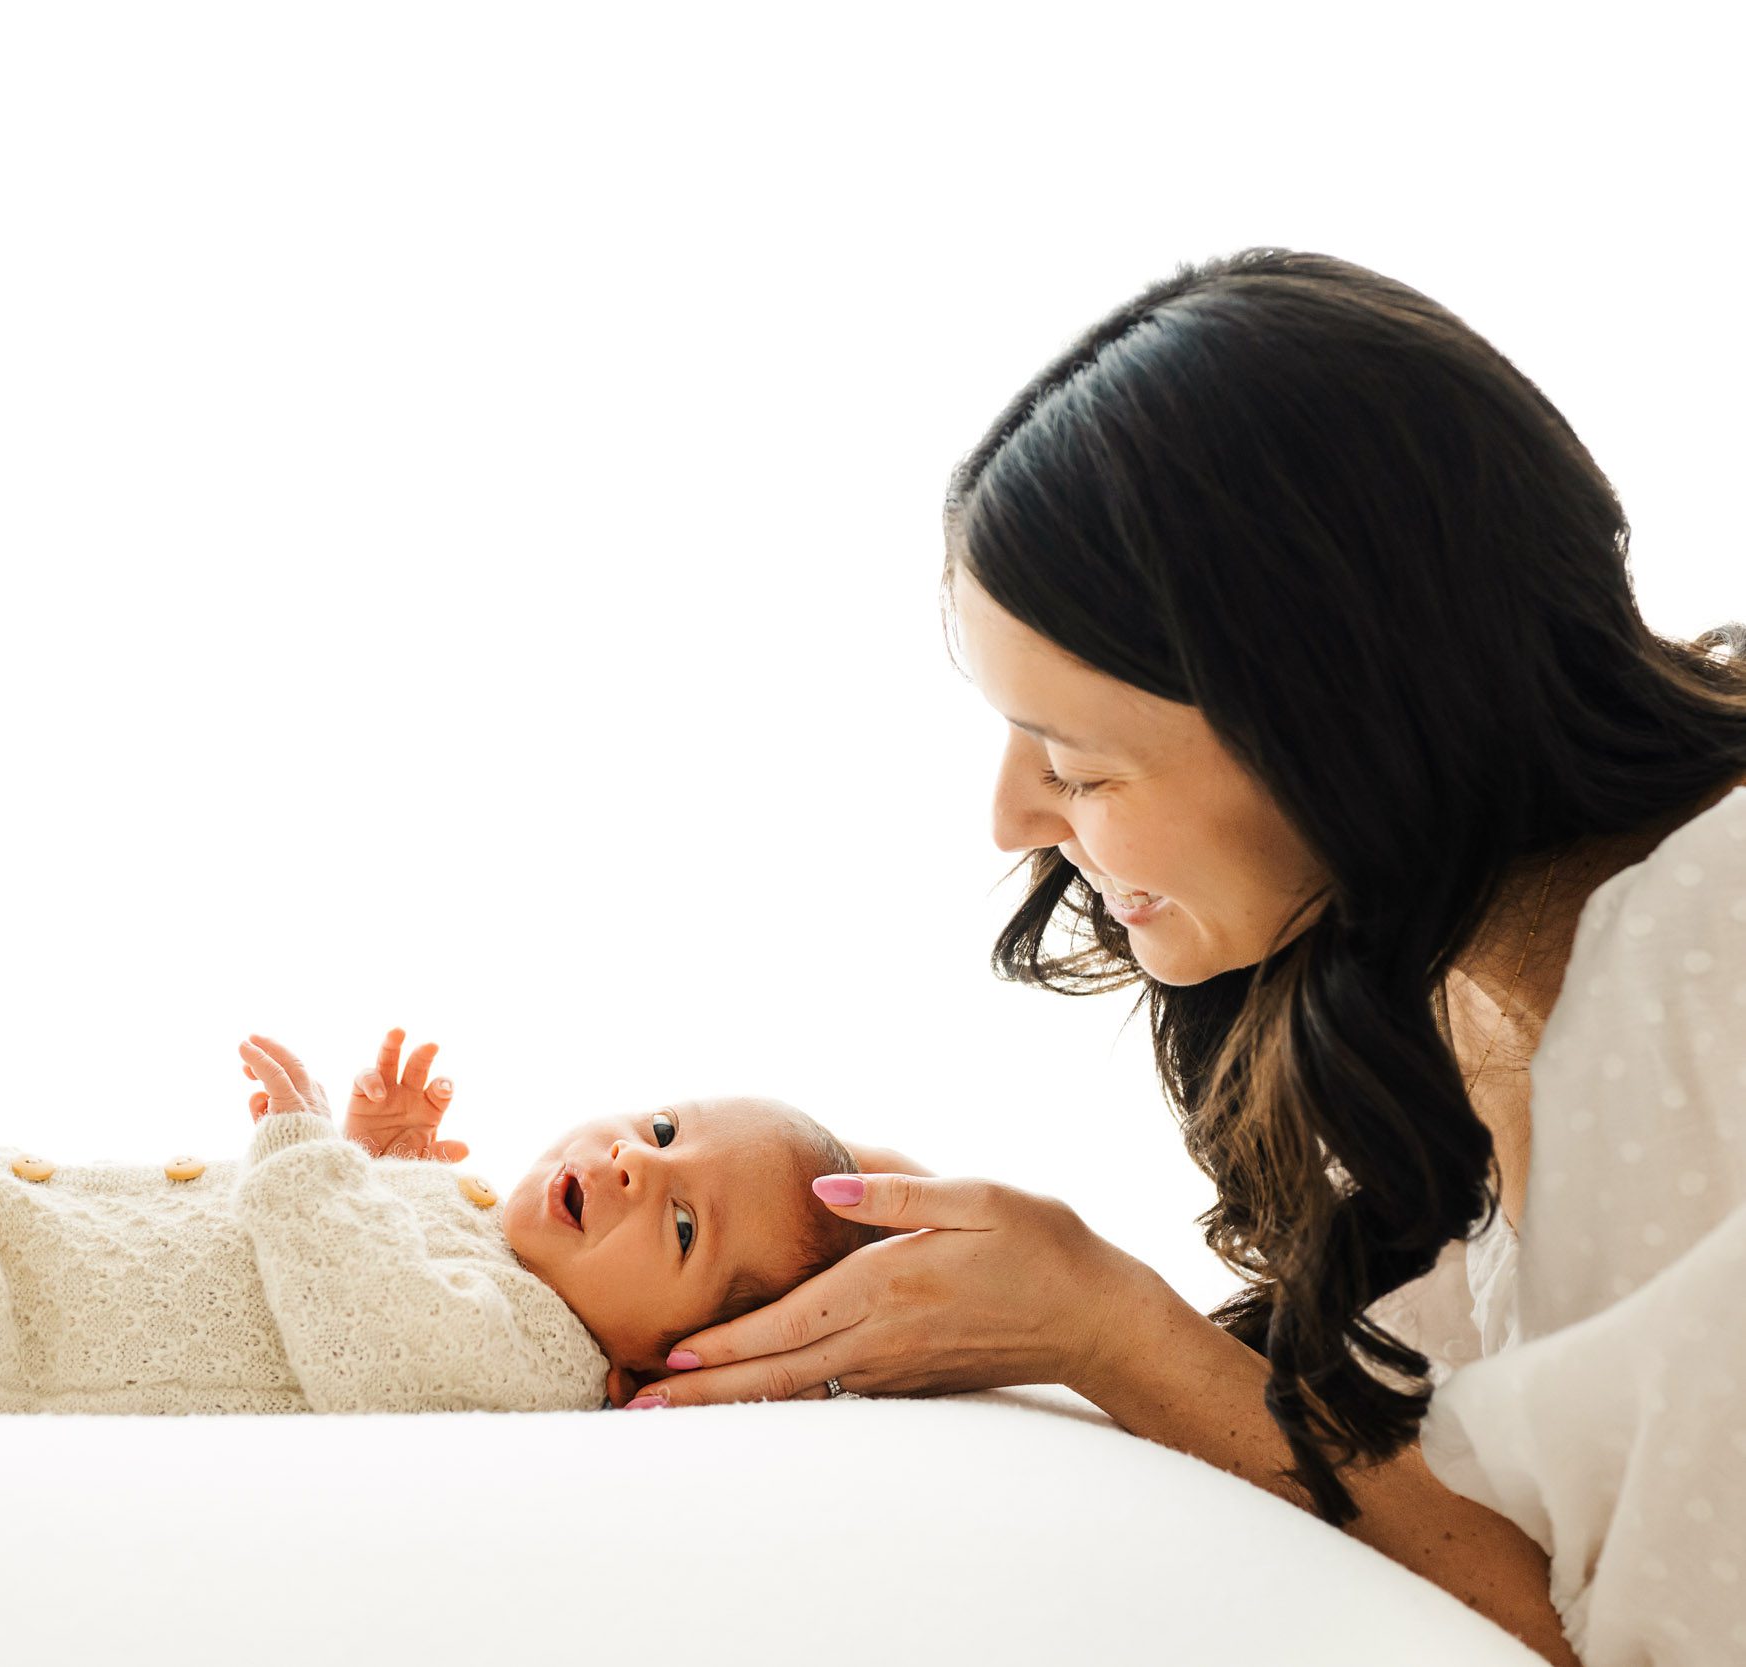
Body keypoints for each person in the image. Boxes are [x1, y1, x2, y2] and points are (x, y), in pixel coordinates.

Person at [616, 249, 1746, 1667]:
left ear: (1329, 719)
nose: (1012, 816)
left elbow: (1642, 1642)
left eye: (1076, 764)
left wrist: (1113, 1331)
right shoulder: (1468, 980)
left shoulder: (1700, 979)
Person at [0, 996, 882, 1413]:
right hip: (6, 1211)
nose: (634, 1167)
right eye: (659, 1129)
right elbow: (380, 1237)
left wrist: (317, 1157)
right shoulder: (480, 1220)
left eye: (681, 1226)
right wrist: (391, 1155)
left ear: (668, 1361)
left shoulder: (544, 1359)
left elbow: (371, 1334)